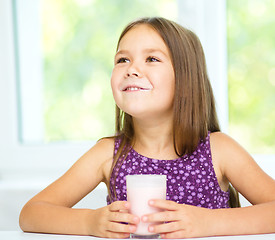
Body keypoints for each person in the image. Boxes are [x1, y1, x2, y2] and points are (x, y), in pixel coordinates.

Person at [19, 17, 275, 239]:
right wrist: (89, 222)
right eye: (122, 59)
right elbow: (31, 213)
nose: (132, 69)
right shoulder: (109, 153)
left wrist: (209, 222)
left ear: (186, 77)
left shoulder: (218, 150)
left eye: (151, 58)